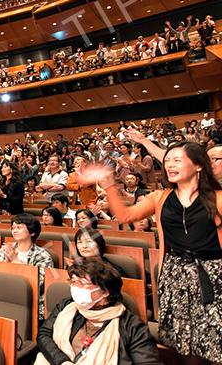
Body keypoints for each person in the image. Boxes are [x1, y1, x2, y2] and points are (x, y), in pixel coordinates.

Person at [77, 141, 222, 363]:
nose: (170, 165)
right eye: (167, 161)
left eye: (177, 160)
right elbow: (125, 216)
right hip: (175, 276)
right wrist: (108, 185)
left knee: (213, 338)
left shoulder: (218, 197)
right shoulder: (160, 197)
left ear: (198, 165)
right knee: (184, 343)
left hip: (212, 276)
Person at [35, 260, 160, 365]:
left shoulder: (132, 327)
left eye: (82, 283)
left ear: (105, 291)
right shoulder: (68, 305)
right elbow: (44, 334)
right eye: (73, 282)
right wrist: (62, 361)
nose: (75, 288)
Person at [0, 213, 54, 318]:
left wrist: (15, 260)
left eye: (19, 227)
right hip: (3, 296)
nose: (14, 230)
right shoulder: (5, 249)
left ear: (32, 232)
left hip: (29, 302)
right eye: (13, 228)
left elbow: (38, 283)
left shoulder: (42, 255)